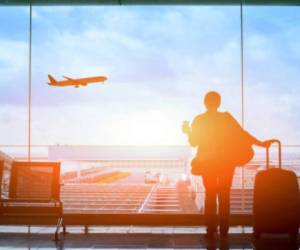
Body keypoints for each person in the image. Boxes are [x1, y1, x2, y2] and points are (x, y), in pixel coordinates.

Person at [182, 91, 272, 239]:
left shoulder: (199, 120)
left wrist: (187, 131)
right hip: (225, 162)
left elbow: (193, 142)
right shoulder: (226, 118)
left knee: (210, 195)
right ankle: (224, 230)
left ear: (205, 103)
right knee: (225, 195)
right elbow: (243, 134)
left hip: (207, 162)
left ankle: (210, 231)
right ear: (219, 103)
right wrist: (261, 144)